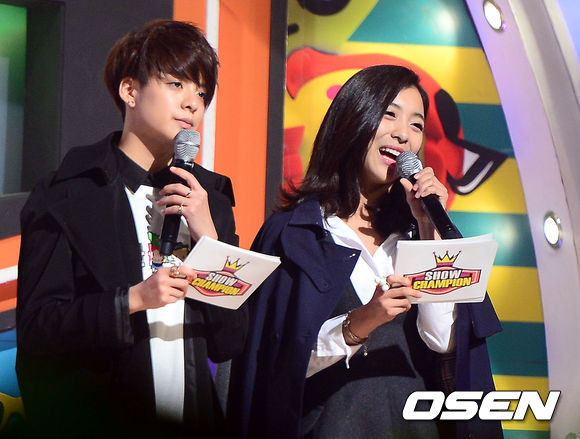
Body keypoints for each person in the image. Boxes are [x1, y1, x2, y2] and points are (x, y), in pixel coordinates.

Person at [228, 65, 503, 439]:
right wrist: (360, 322)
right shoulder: (294, 234)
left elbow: (444, 341)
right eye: (390, 114)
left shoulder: (419, 234)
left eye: (417, 125)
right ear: (353, 118)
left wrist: (428, 229)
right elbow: (272, 363)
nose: (403, 133)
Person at [16, 19, 247, 438]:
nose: (193, 104)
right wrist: (132, 300)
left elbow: (231, 339)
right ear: (130, 91)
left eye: (202, 93)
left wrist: (209, 240)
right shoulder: (68, 193)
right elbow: (38, 329)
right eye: (177, 84)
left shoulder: (208, 198)